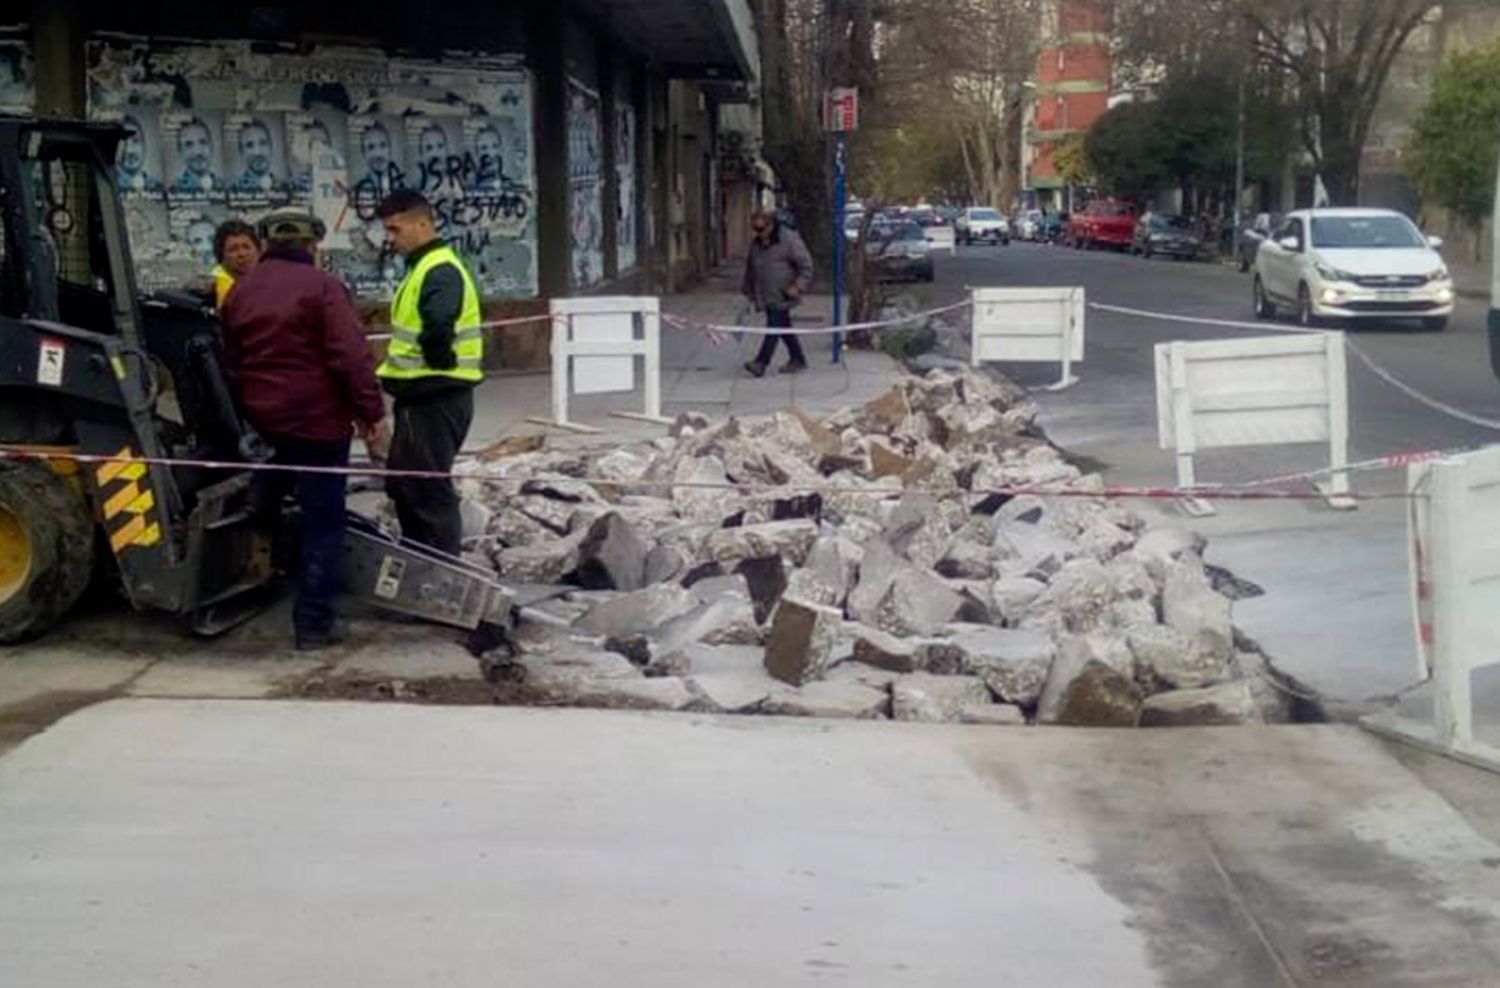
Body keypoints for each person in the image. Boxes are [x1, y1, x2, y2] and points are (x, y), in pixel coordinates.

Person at [219, 210, 390, 649]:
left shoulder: (241, 292)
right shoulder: (324, 287)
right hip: (318, 423)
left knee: (275, 490)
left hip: (266, 419)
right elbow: (350, 358)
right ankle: (313, 624)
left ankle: (261, 514)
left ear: (266, 243)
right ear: (313, 244)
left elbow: (233, 364)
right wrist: (371, 413)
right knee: (323, 520)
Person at [375, 189, 482, 557]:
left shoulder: (439, 268)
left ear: (422, 223)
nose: (391, 239)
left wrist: (437, 362)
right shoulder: (425, 268)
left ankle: (439, 575)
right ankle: (421, 561)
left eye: (395, 229)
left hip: (436, 395)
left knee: (427, 491)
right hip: (422, 397)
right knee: (407, 485)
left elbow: (438, 323)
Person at [742, 210, 815, 377]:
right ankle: (798, 359)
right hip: (766, 294)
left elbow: (807, 267)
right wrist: (748, 289)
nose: (759, 234)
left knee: (774, 327)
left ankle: (761, 363)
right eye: (756, 230)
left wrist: (797, 286)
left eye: (762, 230)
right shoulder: (757, 243)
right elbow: (750, 267)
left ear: (771, 224)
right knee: (783, 327)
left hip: (784, 293)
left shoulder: (789, 240)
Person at [210, 219, 260, 308]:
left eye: (246, 247)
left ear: (258, 250)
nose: (242, 254)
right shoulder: (213, 292)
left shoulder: (274, 284)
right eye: (233, 249)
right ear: (221, 256)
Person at [171, 117, 221, 195]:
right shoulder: (174, 191)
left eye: (203, 142)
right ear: (180, 152)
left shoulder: (225, 187)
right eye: (189, 145)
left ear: (212, 146)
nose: (198, 152)